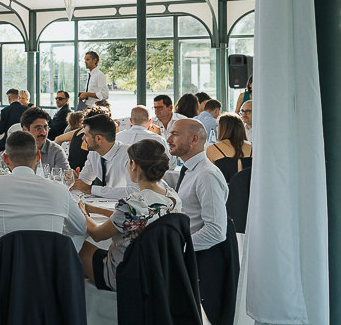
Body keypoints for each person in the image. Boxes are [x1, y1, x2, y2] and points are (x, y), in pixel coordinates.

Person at [78, 139, 182, 291]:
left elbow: (97, 234)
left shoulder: (131, 203)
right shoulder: (173, 197)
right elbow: (139, 218)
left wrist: (82, 213)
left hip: (124, 271)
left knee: (74, 245)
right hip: (156, 268)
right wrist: (95, 209)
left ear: (134, 165)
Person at [0, 131, 85, 246]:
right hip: (47, 264)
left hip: (3, 264)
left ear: (5, 159)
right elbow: (80, 229)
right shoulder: (60, 190)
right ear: (38, 157)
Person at [165, 119, 228, 250]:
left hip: (197, 255)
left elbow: (216, 231)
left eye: (175, 134)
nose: (168, 139)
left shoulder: (206, 175)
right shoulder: (190, 170)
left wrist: (176, 248)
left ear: (194, 139)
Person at [72, 114, 134, 199]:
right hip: (102, 205)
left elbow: (134, 192)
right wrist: (76, 181)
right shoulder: (94, 153)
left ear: (98, 139)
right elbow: (85, 181)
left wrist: (91, 189)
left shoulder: (129, 155)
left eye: (86, 135)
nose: (83, 138)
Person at [20, 107, 68, 173]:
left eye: (45, 127)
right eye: (38, 128)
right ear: (25, 130)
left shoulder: (56, 151)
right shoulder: (16, 149)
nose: (43, 132)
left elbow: (63, 176)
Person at [206, 113, 252, 182]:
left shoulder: (213, 149)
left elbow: (209, 177)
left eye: (218, 125)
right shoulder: (252, 147)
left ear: (224, 129)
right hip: (249, 188)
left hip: (223, 188)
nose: (216, 128)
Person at [0, 89, 26, 157]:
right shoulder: (27, 109)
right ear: (19, 97)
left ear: (9, 97)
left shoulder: (5, 111)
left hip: (8, 142)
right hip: (25, 141)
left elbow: (0, 131)